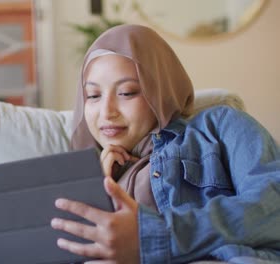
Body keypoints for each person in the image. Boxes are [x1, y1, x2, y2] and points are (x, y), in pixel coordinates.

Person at [50, 24, 280, 263]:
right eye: (93, 96)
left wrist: (158, 235)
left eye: (127, 92)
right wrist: (99, 186)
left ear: (160, 89)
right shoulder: (92, 177)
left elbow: (273, 204)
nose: (107, 112)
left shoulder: (218, 125)